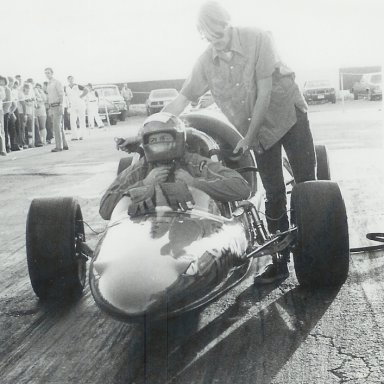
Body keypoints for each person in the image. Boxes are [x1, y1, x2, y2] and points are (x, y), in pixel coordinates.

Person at [163, 1, 316, 284]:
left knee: (308, 186)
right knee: (273, 192)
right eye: (208, 39)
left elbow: (265, 92)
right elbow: (183, 99)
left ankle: (315, 250)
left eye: (218, 37)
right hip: (256, 133)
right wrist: (150, 128)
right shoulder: (206, 61)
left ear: (227, 24)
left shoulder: (258, 38)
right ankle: (279, 261)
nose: (215, 45)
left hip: (287, 115)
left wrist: (247, 137)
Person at [99, 112, 251, 220]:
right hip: (150, 232)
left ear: (179, 139)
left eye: (165, 138)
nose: (160, 144)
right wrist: (144, 184)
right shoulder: (139, 169)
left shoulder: (195, 163)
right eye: (154, 140)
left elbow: (242, 187)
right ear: (146, 143)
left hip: (195, 228)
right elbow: (105, 210)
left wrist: (194, 183)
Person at [44, 67, 68, 152]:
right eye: (46, 73)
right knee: (59, 126)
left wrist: (61, 105)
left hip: (58, 105)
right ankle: (64, 144)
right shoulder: (49, 84)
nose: (47, 74)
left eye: (48, 72)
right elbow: (49, 96)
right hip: (52, 106)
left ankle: (59, 146)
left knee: (56, 127)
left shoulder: (56, 82)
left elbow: (61, 94)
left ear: (52, 73)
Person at [65, 76, 88, 140]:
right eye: (69, 79)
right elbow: (66, 96)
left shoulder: (77, 86)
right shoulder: (66, 87)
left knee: (82, 120)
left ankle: (82, 135)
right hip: (72, 105)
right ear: (68, 80)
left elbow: (86, 90)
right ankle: (74, 136)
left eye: (72, 79)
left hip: (80, 104)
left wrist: (81, 96)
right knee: (72, 120)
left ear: (73, 79)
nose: (71, 80)